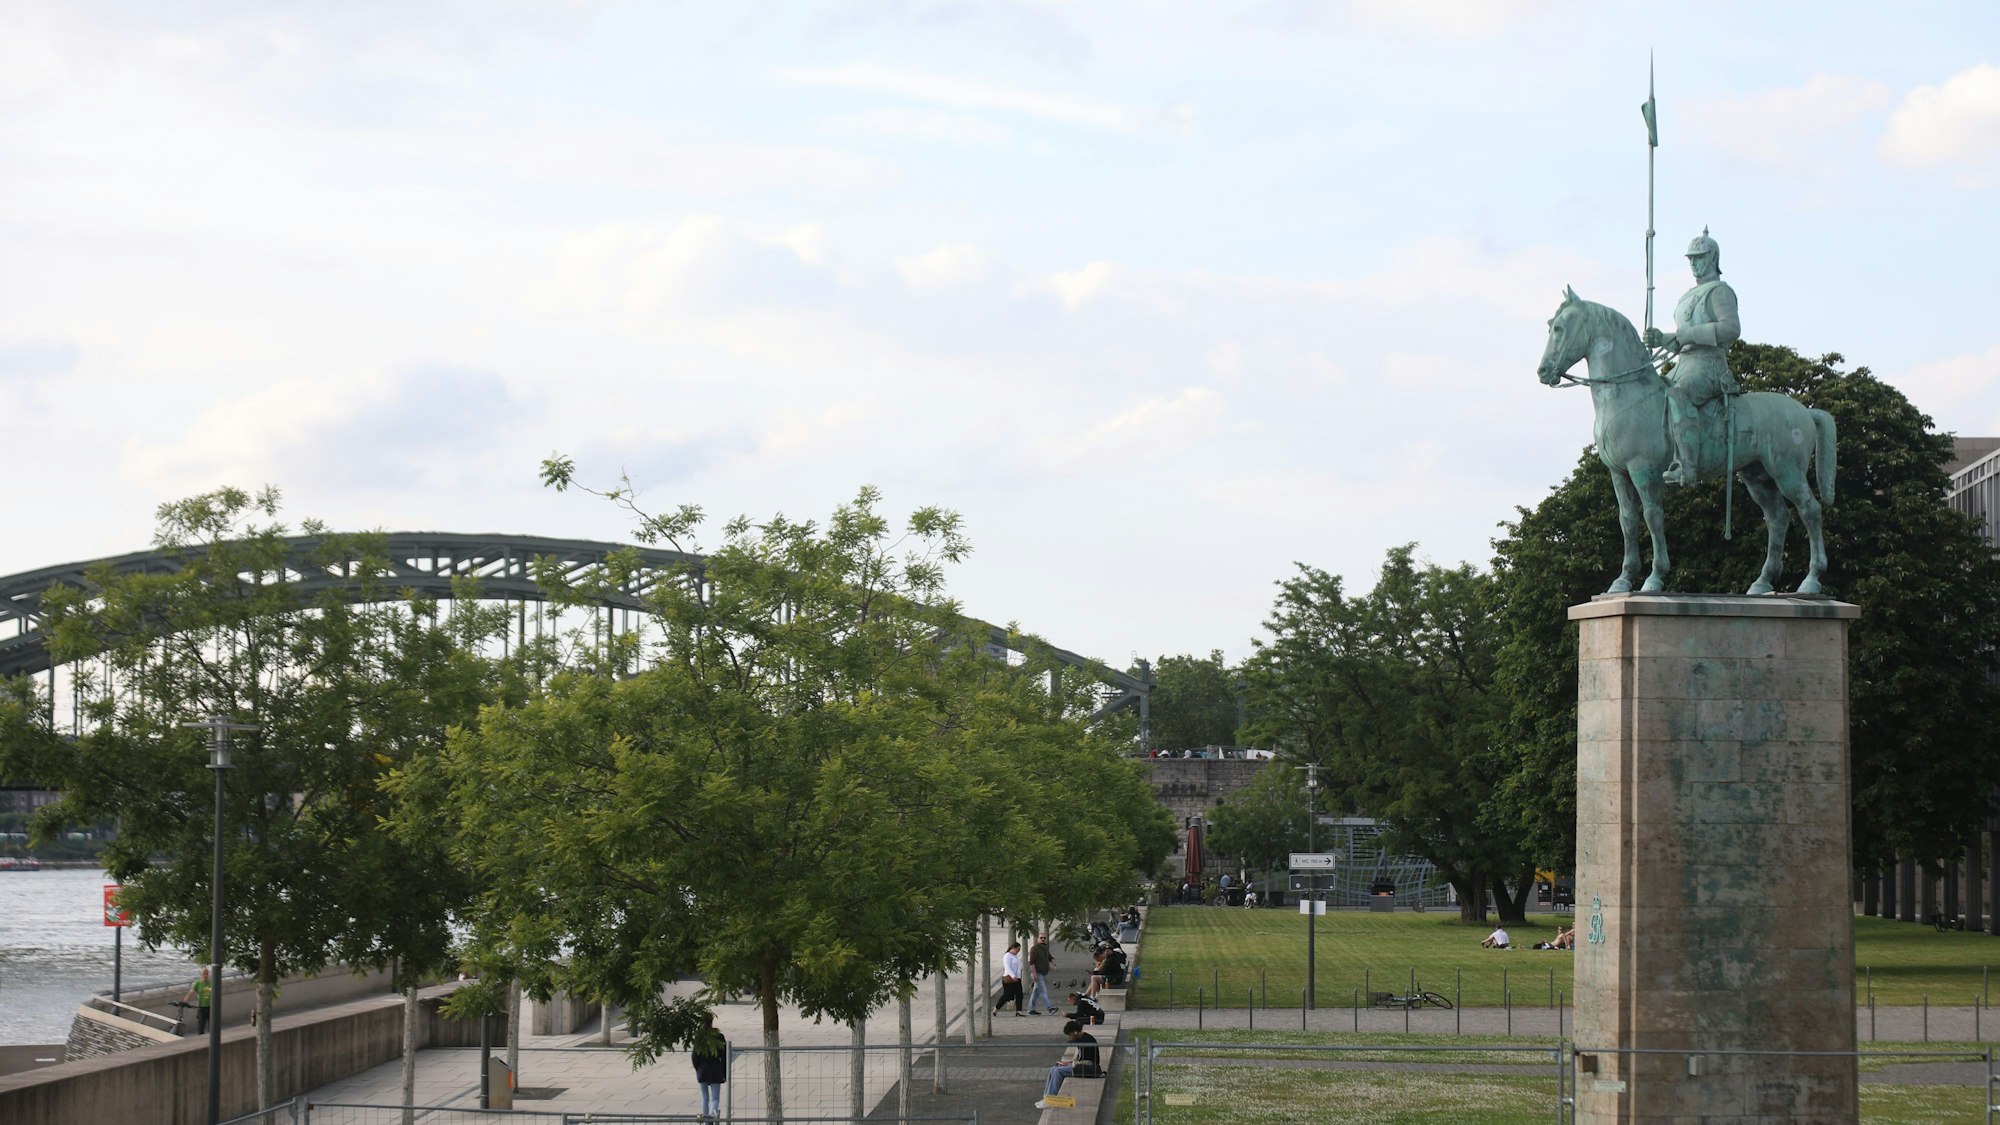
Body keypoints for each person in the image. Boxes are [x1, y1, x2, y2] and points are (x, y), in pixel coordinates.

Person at [1643, 228, 1741, 486]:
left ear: (1712, 258)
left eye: (1700, 257)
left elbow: (1731, 329)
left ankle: (1686, 467)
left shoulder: (1720, 292)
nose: (1695, 263)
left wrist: (1687, 335)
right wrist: (1661, 338)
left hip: (1709, 365)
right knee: (1652, 392)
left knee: (1678, 394)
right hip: (1684, 364)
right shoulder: (1687, 296)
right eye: (1692, 258)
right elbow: (1681, 340)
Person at [1033, 1020, 1100, 1111]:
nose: (1070, 1038)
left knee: (1058, 1071)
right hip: (1083, 1066)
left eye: (1070, 1035)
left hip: (1090, 1068)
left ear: (1075, 1032)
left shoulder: (1087, 1040)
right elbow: (1080, 1058)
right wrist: (1068, 1062)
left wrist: (1071, 1064)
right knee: (1053, 1068)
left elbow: (1087, 1061)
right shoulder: (1081, 1039)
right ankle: (1046, 1098)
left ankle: (1050, 1100)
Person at [689, 1011, 726, 1121]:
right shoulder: (719, 1036)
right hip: (716, 1069)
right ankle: (710, 1119)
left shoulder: (699, 1037)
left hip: (703, 1069)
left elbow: (694, 1056)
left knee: (704, 1097)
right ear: (712, 1021)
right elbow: (724, 1056)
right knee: (715, 1099)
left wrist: (698, 1069)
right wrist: (724, 1073)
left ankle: (705, 1120)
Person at [1026, 932, 1056, 1015]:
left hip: (1043, 973)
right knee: (1043, 991)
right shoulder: (1034, 949)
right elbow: (1032, 963)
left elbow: (1049, 957)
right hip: (1038, 973)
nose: (1043, 939)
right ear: (1037, 939)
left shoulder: (1045, 948)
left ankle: (1031, 1009)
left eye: (1044, 938)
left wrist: (1054, 964)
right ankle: (1050, 1008)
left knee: (1035, 992)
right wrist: (1034, 973)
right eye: (1041, 938)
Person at [996, 940, 1025, 1016]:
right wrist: (1013, 976)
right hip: (1009, 979)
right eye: (1017, 949)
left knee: (1019, 995)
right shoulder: (1007, 956)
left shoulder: (1015, 957)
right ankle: (996, 1008)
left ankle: (1019, 1011)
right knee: (1007, 995)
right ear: (1013, 948)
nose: (1018, 951)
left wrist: (1018, 976)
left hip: (1017, 979)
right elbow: (1007, 967)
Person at [182, 968, 212, 1034]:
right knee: (201, 1028)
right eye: (204, 974)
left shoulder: (210, 983)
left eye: (207, 974)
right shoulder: (197, 983)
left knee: (212, 1028)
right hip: (201, 1008)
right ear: (201, 974)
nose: (206, 975)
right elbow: (191, 993)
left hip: (210, 1007)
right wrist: (184, 1002)